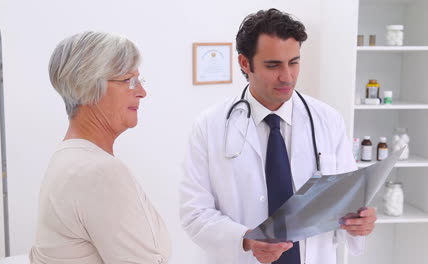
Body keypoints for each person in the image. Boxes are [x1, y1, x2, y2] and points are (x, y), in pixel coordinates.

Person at [180, 9, 376, 264]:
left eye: (293, 62)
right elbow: (194, 213)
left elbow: (347, 201)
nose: (287, 76)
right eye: (273, 65)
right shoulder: (209, 126)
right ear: (244, 63)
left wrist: (360, 222)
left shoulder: (328, 120)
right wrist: (246, 239)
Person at [30, 31, 171, 264]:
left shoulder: (68, 158)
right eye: (129, 80)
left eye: (139, 80)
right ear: (88, 86)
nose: (142, 92)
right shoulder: (99, 171)